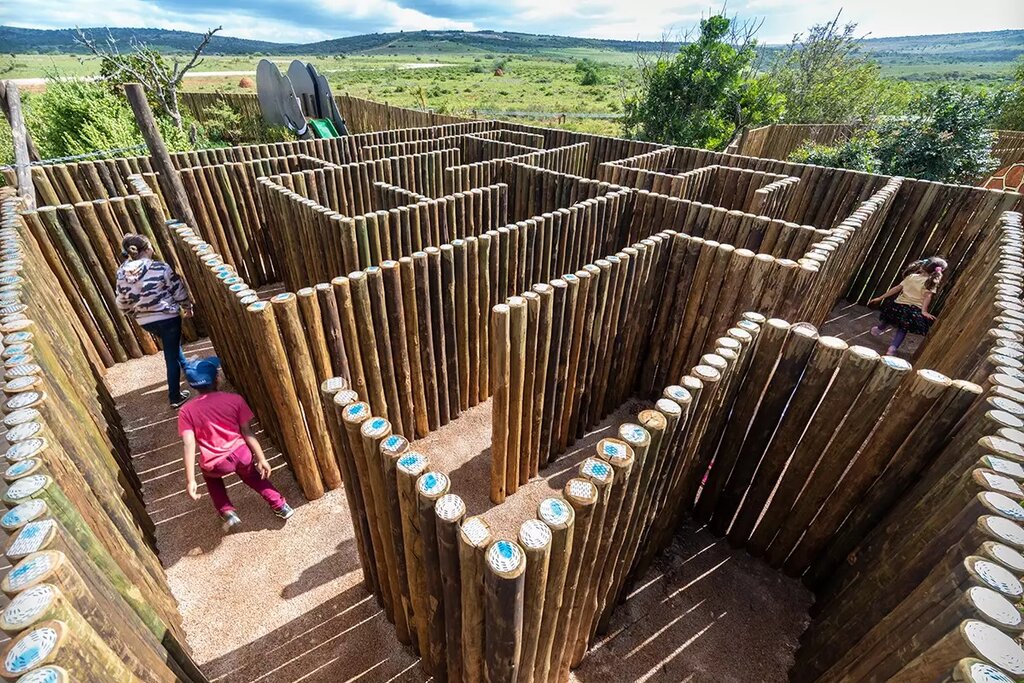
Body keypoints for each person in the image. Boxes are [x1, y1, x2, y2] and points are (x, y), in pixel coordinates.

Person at [178, 357, 294, 532]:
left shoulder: (186, 411)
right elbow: (247, 432)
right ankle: (280, 505)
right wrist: (261, 458)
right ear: (217, 378)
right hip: (241, 454)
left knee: (212, 480)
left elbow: (188, 444)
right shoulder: (235, 400)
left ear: (193, 385)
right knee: (253, 477)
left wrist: (191, 480)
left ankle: (227, 511)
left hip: (216, 463)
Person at [115, 234, 193, 408]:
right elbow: (177, 289)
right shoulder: (160, 267)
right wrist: (187, 307)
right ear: (147, 249)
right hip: (168, 317)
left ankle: (188, 370)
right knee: (171, 356)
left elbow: (121, 300)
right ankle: (175, 397)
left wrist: (134, 314)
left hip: (145, 321)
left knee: (171, 346)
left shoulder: (121, 272)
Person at [868, 256, 948, 355]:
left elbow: (897, 288)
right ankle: (892, 348)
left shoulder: (912, 277)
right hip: (913, 310)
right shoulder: (930, 283)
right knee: (903, 329)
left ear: (923, 266)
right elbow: (927, 297)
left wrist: (881, 297)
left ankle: (878, 329)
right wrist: (924, 311)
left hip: (898, 305)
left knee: (889, 319)